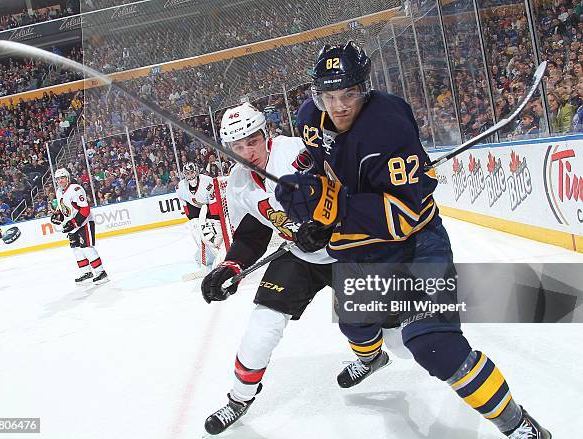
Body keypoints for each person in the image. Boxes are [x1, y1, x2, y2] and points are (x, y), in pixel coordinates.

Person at [275, 42, 551, 438]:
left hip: (416, 244)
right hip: (361, 248)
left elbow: (406, 217)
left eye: (348, 94)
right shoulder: (308, 118)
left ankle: (521, 426)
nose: (338, 106)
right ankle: (371, 360)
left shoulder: (388, 125)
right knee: (354, 321)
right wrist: (311, 201)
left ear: (364, 89)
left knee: (433, 345)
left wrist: (332, 211)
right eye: (329, 95)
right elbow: (320, 165)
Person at [201, 103, 390, 435]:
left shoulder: (297, 151)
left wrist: (324, 222)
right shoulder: (239, 183)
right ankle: (239, 399)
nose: (248, 152)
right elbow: (252, 233)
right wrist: (229, 266)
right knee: (261, 328)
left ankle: (371, 358)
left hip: (345, 248)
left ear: (265, 134)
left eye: (253, 141)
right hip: (299, 254)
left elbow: (348, 187)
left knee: (385, 331)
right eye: (239, 146)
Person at [50, 168, 108, 284]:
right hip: (72, 225)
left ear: (68, 178)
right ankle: (86, 272)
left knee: (86, 247)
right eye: (58, 179)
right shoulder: (59, 192)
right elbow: (65, 210)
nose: (60, 181)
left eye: (62, 178)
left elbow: (85, 209)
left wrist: (74, 223)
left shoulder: (76, 189)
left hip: (84, 222)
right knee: (76, 249)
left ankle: (101, 273)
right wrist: (58, 215)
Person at [175, 162, 222, 268]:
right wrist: (192, 220)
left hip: (209, 205)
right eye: (187, 174)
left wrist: (214, 219)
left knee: (213, 229)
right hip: (194, 207)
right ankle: (206, 255)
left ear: (196, 172)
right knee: (196, 230)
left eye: (191, 173)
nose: (190, 176)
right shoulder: (180, 187)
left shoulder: (208, 182)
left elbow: (214, 204)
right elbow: (185, 205)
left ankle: (220, 250)